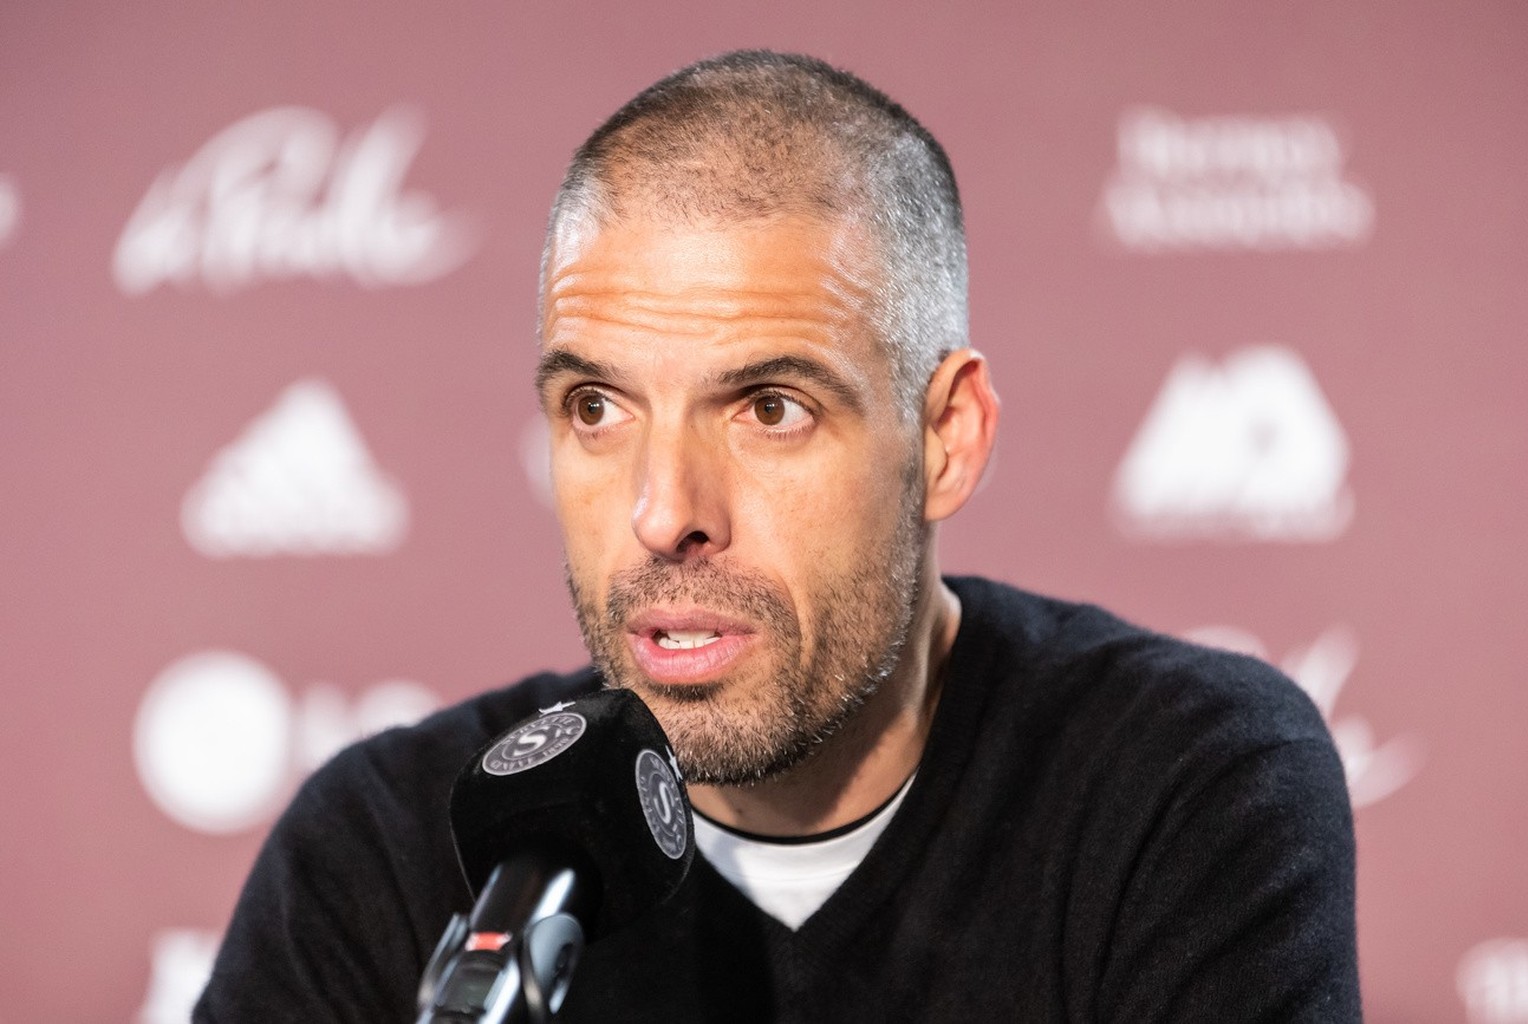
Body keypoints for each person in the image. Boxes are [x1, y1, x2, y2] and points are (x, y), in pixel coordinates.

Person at [195, 50, 1360, 1022]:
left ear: (945, 437)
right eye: (596, 408)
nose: (663, 513)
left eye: (769, 409)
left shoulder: (1176, 786)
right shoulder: (390, 854)